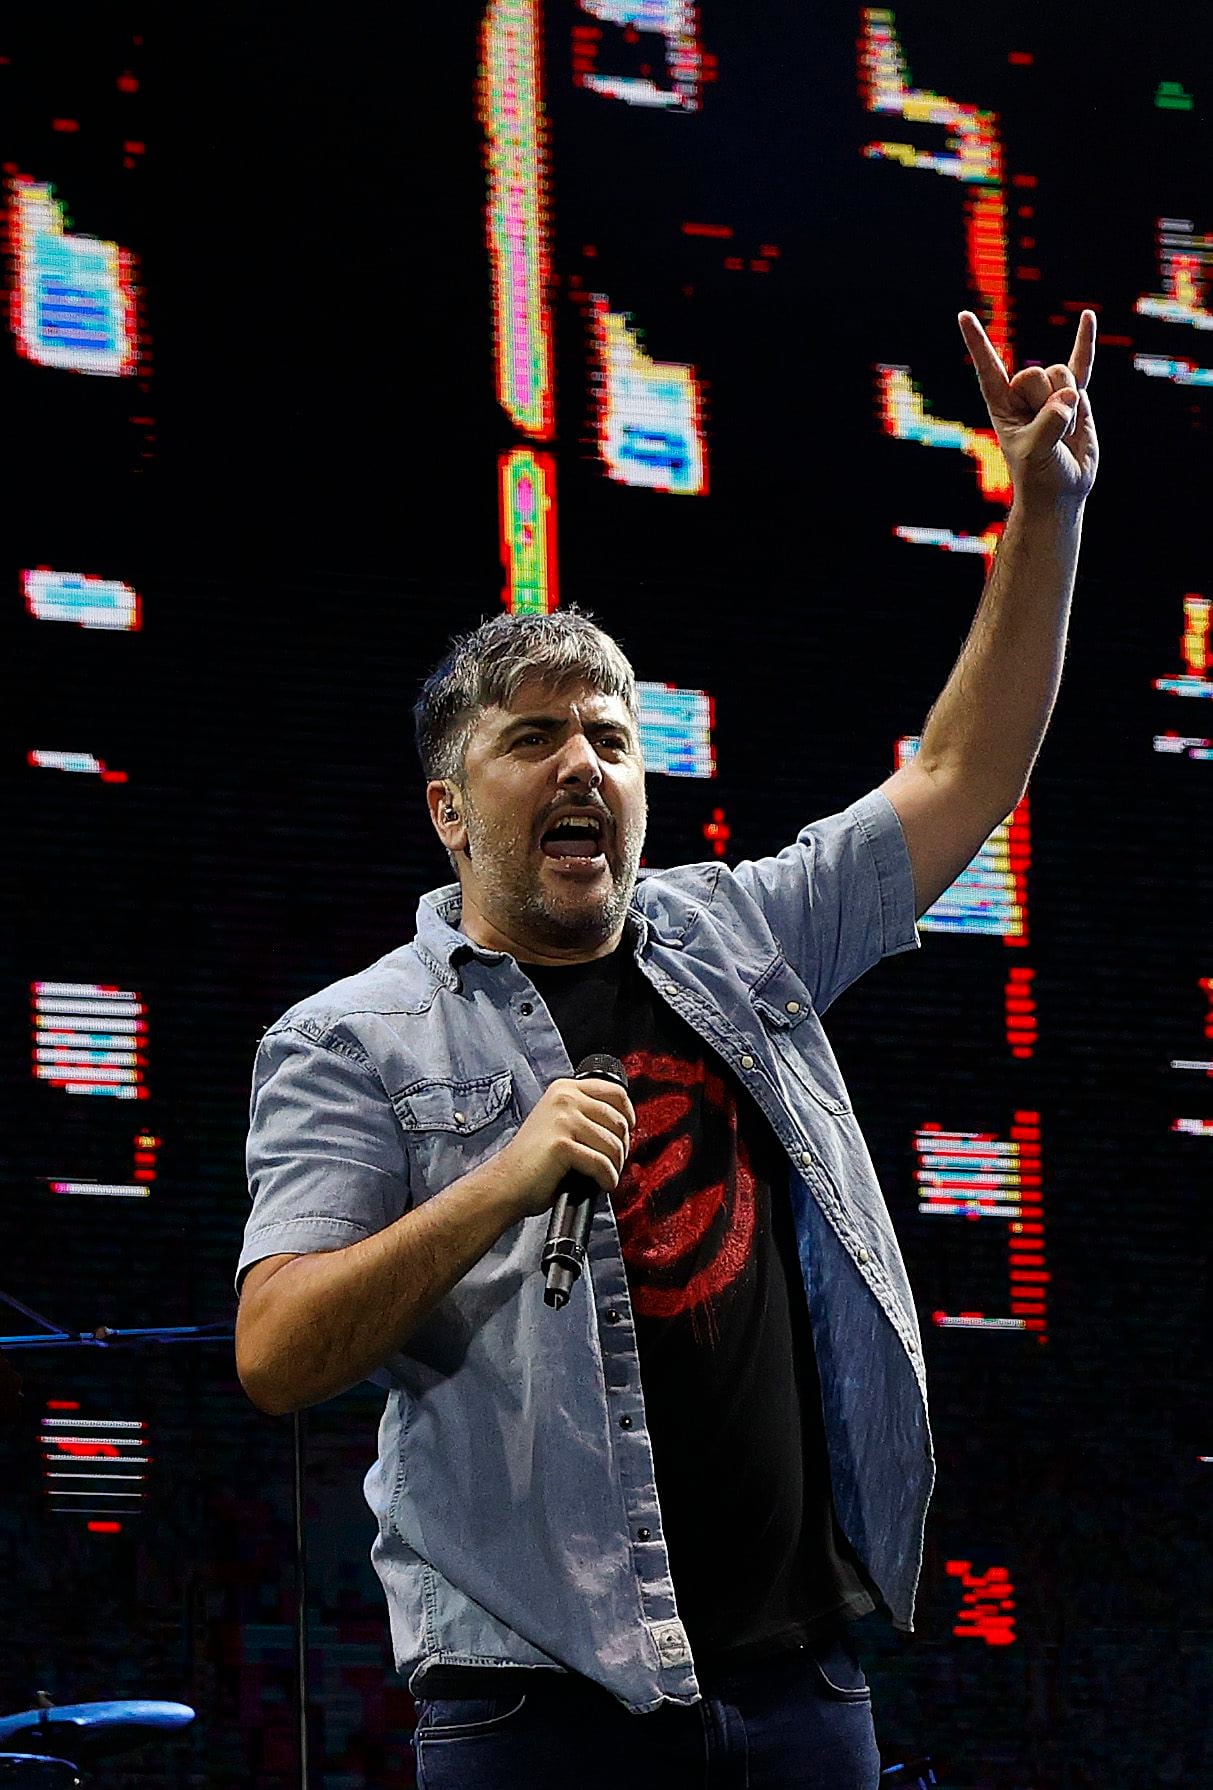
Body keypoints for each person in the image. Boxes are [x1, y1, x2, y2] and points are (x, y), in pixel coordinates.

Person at [234, 308, 1097, 1787]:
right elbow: (275, 1347)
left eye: (614, 737)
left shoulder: (741, 934)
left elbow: (963, 769)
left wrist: (1049, 509)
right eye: (533, 737)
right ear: (450, 810)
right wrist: (495, 1184)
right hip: (536, 1714)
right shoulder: (349, 1034)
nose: (584, 760)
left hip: (801, 1683)